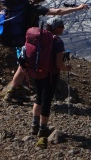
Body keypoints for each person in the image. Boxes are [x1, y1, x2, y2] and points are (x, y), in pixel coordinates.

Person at [3, 0, 88, 101]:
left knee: (23, 65)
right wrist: (78, 8)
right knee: (23, 67)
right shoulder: (34, 8)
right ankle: (11, 91)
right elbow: (57, 11)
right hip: (27, 42)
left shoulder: (25, 7)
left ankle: (14, 90)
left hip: (20, 40)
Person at [32, 18, 70, 147]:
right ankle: (43, 129)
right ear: (56, 27)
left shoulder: (40, 36)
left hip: (37, 71)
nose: (63, 28)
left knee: (38, 97)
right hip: (50, 74)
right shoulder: (57, 41)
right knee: (46, 101)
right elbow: (59, 64)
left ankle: (34, 125)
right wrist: (67, 68)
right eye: (61, 26)